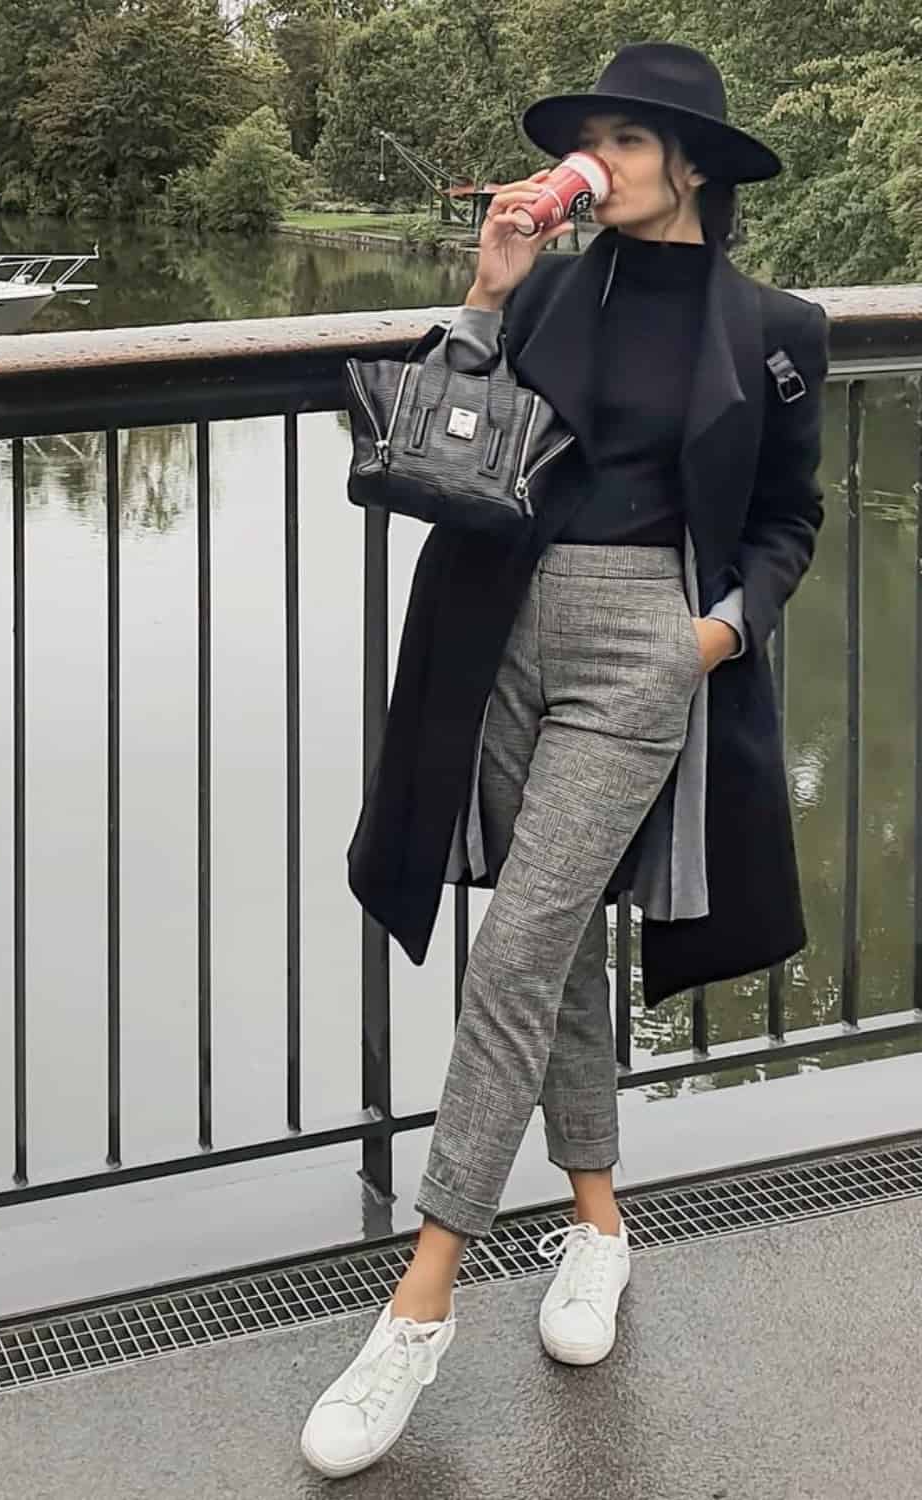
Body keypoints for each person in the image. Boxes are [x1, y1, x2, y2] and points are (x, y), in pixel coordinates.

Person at [301, 41, 830, 1479]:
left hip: (642, 646)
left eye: (625, 140)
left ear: (692, 167)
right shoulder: (542, 290)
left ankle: (420, 1304)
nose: (594, 162)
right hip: (499, 624)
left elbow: (789, 517)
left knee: (518, 946)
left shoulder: (773, 326)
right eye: (587, 138)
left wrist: (711, 636)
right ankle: (597, 1226)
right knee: (555, 932)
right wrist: (486, 292)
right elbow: (441, 440)